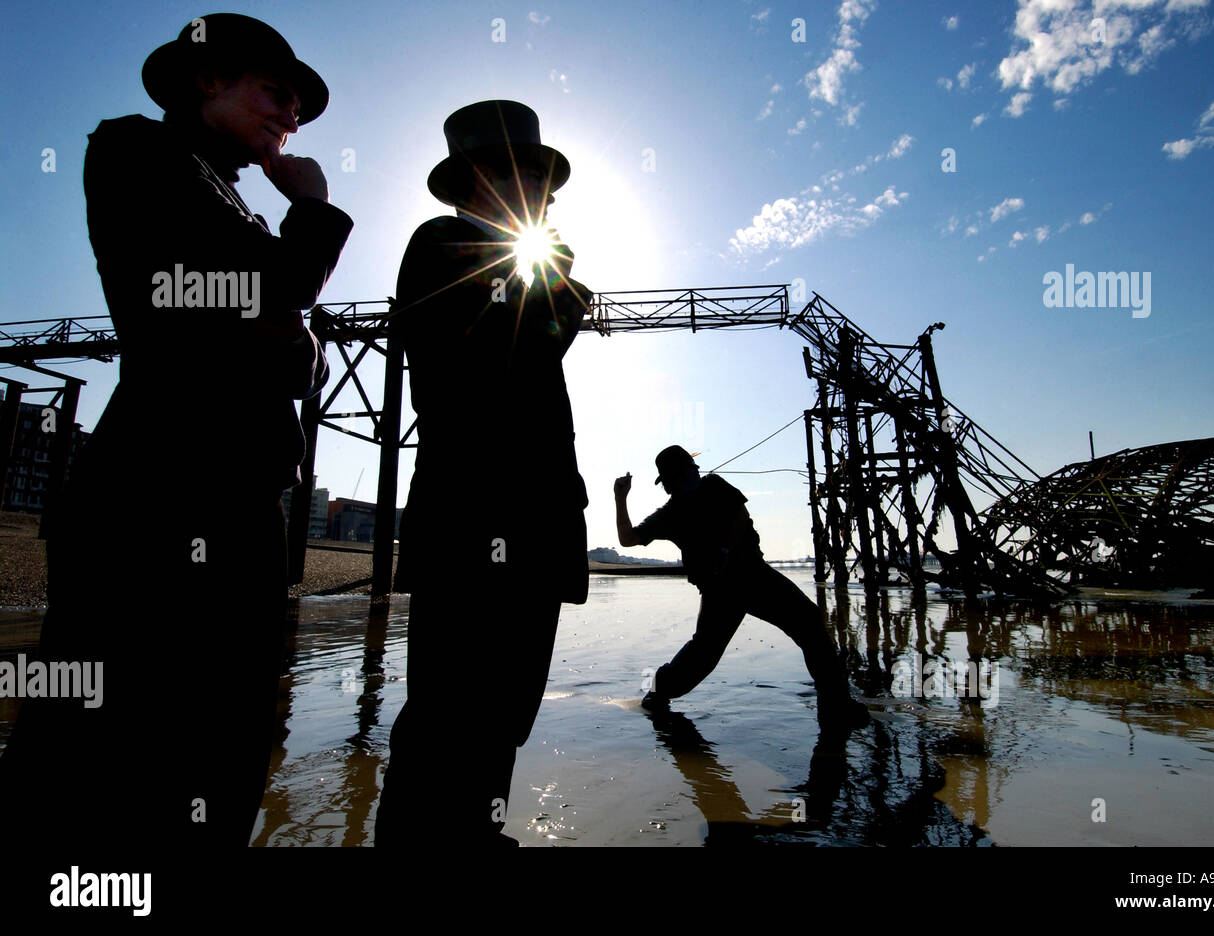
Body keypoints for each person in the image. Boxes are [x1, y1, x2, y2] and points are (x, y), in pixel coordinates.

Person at [0, 13, 351, 848]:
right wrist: (311, 208)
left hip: (236, 497)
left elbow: (285, 343)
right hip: (156, 492)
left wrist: (276, 320)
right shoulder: (135, 150)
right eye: (276, 92)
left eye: (297, 107)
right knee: (86, 733)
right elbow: (260, 295)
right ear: (207, 80)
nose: (288, 118)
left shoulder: (231, 200)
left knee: (222, 737)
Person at [377, 100, 590, 846]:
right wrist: (554, 279)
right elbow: (494, 361)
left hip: (531, 527)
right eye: (527, 176)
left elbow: (529, 363)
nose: (542, 196)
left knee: (500, 716)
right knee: (448, 718)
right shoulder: (441, 244)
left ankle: (478, 834)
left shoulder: (516, 264)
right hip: (476, 524)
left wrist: (551, 283)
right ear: (480, 179)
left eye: (545, 185)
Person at [614, 446, 870, 725]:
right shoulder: (672, 512)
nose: (698, 471)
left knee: (801, 624)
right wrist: (620, 498)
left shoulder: (706, 490)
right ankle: (656, 691)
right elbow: (628, 539)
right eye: (692, 468)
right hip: (738, 584)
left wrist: (723, 553)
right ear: (680, 475)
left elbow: (740, 517)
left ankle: (835, 705)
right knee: (708, 653)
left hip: (738, 582)